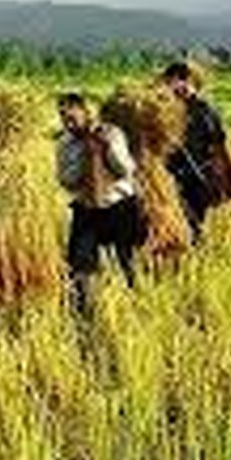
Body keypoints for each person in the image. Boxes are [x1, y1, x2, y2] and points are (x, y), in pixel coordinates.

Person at [55, 92, 145, 316]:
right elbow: (65, 180)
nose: (68, 123)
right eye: (63, 118)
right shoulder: (65, 144)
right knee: (79, 265)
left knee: (126, 262)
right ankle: (83, 313)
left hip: (119, 206)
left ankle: (134, 307)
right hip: (86, 210)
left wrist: (105, 147)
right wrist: (85, 159)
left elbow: (126, 170)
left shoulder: (112, 133)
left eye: (72, 117)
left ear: (86, 113)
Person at [159, 62, 231, 242]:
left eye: (175, 83)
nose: (172, 89)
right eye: (168, 84)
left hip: (198, 174)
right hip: (171, 176)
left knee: (194, 221)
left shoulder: (206, 111)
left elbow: (220, 145)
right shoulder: (165, 110)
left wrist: (228, 178)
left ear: (187, 81)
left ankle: (196, 255)